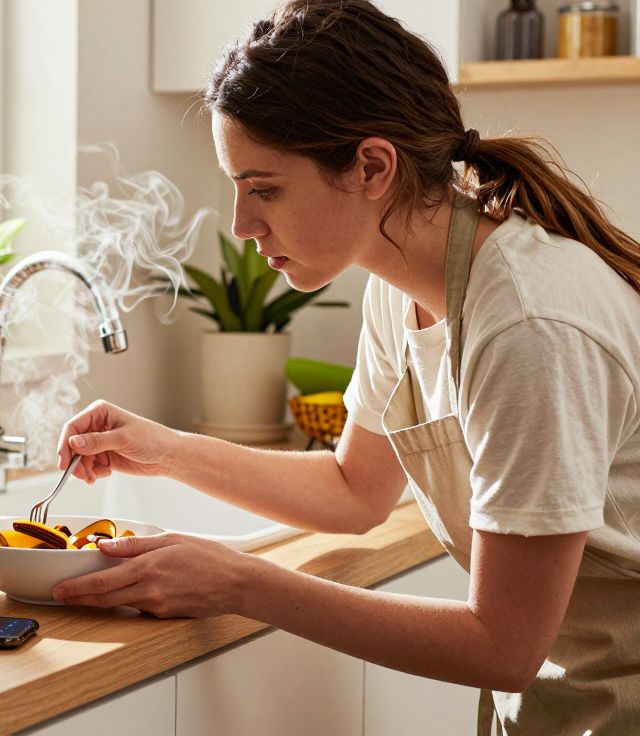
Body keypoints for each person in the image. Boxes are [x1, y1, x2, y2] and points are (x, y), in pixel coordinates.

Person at [49, 1, 640, 733]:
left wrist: (242, 584)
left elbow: (503, 646)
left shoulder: (527, 323)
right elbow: (355, 489)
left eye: (264, 188)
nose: (241, 224)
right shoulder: (402, 288)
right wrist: (164, 451)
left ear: (372, 167)